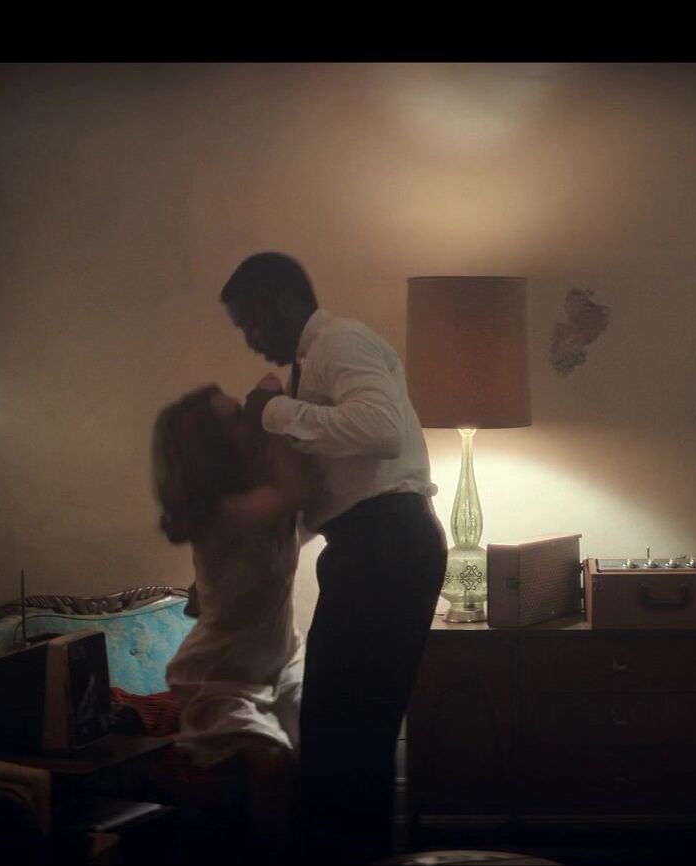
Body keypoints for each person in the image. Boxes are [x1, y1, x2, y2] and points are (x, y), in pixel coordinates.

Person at [222, 251, 446, 863]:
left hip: (385, 549)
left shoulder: (340, 342)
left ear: (280, 303)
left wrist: (271, 412)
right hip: (372, 549)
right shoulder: (311, 366)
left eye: (250, 322)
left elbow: (381, 429)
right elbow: (328, 496)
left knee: (344, 739)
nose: (250, 339)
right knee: (345, 739)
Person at [152, 384, 309, 853]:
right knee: (269, 762)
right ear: (215, 446)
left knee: (321, 756)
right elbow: (296, 491)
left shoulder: (260, 505)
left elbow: (306, 498)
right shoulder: (226, 512)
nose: (248, 414)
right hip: (224, 675)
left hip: (282, 663)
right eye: (237, 414)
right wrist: (273, 412)